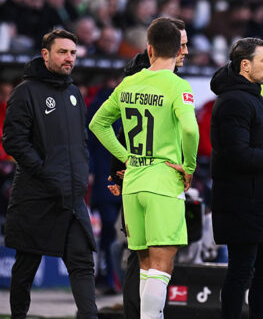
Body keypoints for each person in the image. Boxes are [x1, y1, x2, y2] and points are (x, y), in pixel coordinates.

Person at [89, 18, 199, 318]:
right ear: (177, 50)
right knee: (161, 268)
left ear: (149, 49)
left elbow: (97, 123)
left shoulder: (128, 82)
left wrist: (126, 156)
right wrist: (189, 166)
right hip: (163, 181)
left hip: (134, 182)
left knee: (146, 266)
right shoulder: (178, 85)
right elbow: (190, 130)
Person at [2, 29, 97, 319]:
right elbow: (13, 140)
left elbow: (80, 140)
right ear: (45, 54)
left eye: (72, 53)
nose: (69, 58)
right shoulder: (25, 92)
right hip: (36, 196)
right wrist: (45, 172)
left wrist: (81, 173)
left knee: (82, 262)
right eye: (62, 52)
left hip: (71, 197)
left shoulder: (73, 93)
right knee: (26, 266)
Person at [210, 37, 263, 319]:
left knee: (262, 272)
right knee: (241, 272)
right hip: (242, 204)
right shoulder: (234, 102)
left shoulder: (248, 96)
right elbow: (238, 154)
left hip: (258, 203)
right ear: (245, 65)